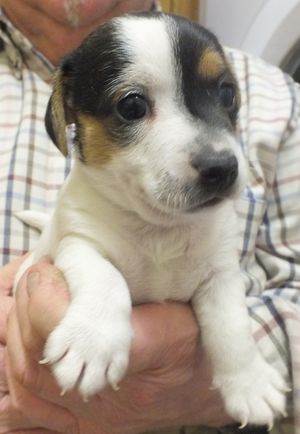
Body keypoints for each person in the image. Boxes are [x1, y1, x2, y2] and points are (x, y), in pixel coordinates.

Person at [0, 0, 299, 433]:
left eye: (224, 95)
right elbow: (79, 251)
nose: (215, 154)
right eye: (134, 107)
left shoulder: (284, 98)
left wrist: (236, 371)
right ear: (69, 122)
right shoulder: (87, 214)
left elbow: (220, 280)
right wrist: (100, 306)